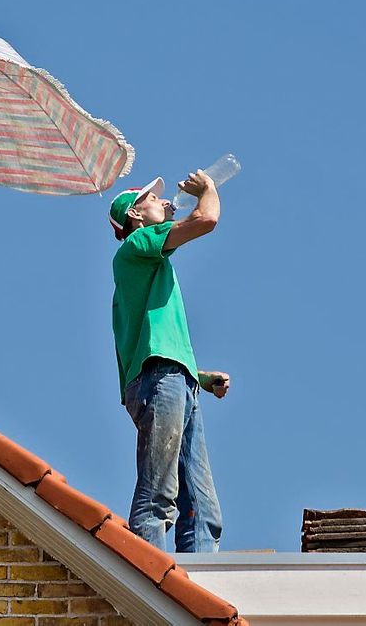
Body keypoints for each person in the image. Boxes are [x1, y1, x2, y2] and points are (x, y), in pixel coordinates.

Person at [108, 170, 230, 553]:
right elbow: (204, 220)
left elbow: (155, 343)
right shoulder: (137, 244)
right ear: (135, 216)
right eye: (151, 199)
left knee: (203, 509)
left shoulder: (148, 264)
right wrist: (208, 189)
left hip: (174, 379)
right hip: (161, 381)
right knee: (158, 496)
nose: (163, 201)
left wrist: (201, 378)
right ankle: (150, 590)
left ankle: (199, 597)